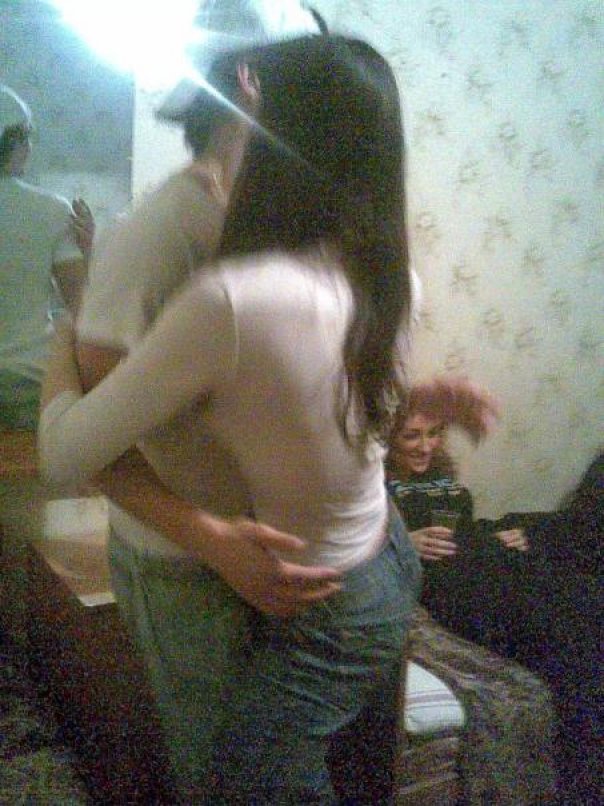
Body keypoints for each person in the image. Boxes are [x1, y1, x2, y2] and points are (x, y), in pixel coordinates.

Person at [39, 34, 421, 804]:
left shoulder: (234, 298)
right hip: (385, 562)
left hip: (319, 590)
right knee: (315, 772)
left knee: (237, 784)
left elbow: (64, 452)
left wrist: (64, 332)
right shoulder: (390, 271)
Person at [386, 376, 533, 653]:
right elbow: (356, 548)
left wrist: (492, 535)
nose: (426, 446)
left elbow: (461, 530)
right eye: (411, 435)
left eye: (433, 433)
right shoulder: (375, 484)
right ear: (390, 438)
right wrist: (403, 542)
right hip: (440, 583)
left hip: (477, 563)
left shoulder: (441, 474)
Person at [0, 84, 91, 430]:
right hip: (28, 387)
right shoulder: (51, 210)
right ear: (16, 144)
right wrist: (89, 250)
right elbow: (82, 307)